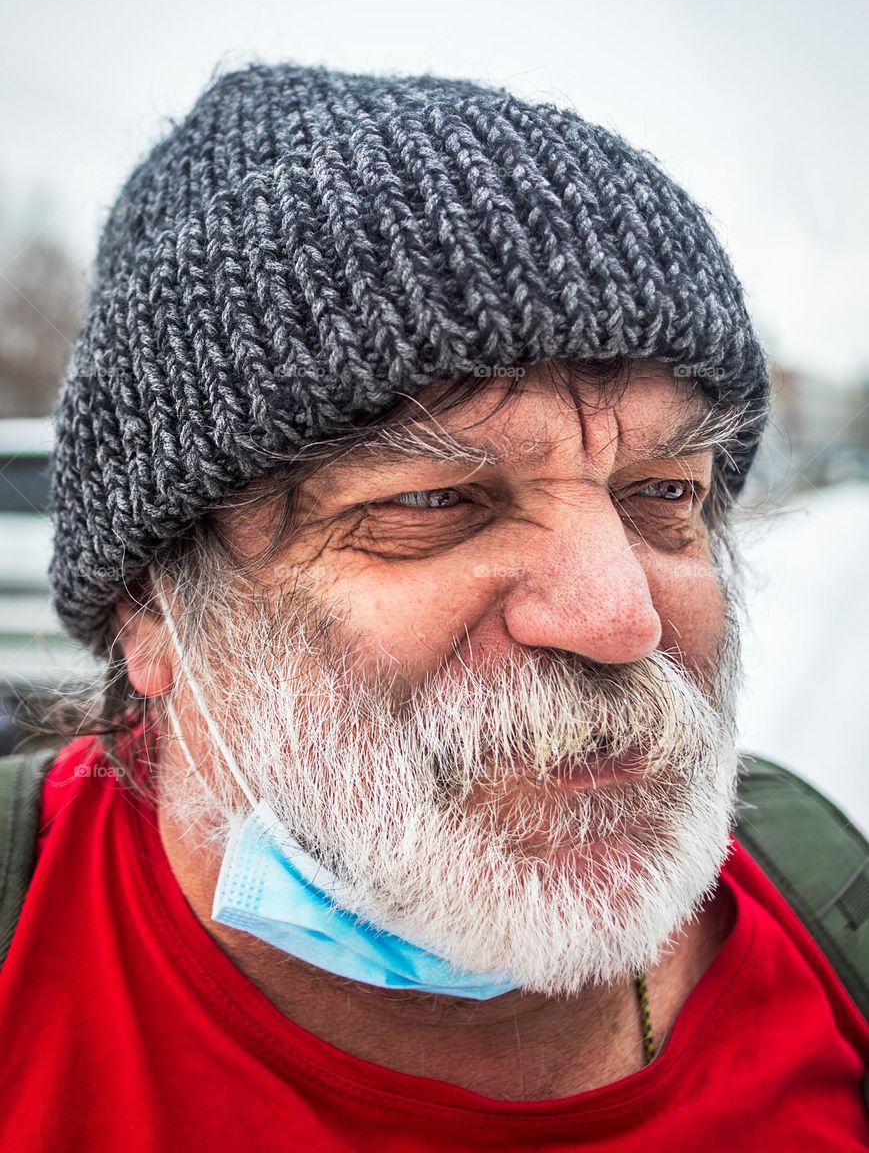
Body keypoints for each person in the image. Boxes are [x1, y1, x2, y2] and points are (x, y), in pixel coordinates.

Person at [1, 60, 866, 1151]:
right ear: (152, 609)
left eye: (663, 494)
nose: (619, 620)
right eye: (430, 501)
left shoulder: (821, 913)